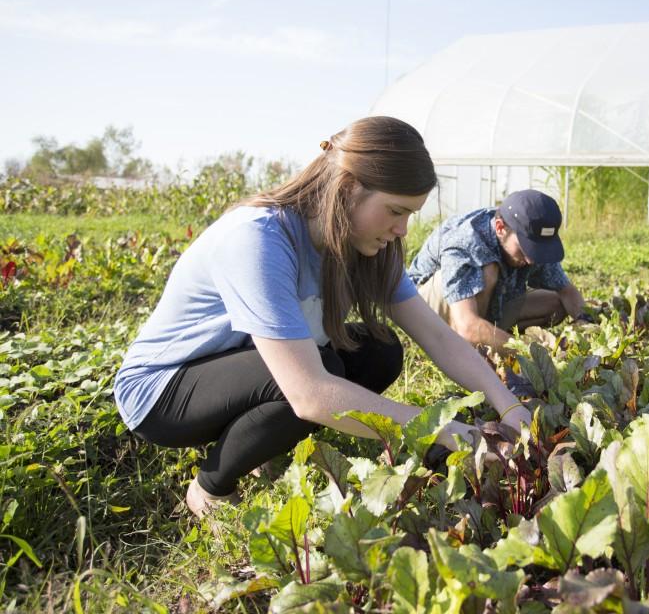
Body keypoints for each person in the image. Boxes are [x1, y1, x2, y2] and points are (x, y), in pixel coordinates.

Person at [113, 117, 532, 518]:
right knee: (319, 375)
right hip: (163, 392)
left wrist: (508, 405)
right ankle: (210, 486)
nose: (403, 229)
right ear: (348, 188)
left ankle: (260, 443)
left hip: (249, 368)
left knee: (379, 350)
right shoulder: (258, 238)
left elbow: (438, 337)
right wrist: (437, 428)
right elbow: (310, 392)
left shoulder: (370, 247)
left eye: (410, 215)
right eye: (395, 211)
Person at [408, 189, 585, 354]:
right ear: (500, 228)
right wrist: (529, 351)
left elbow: (567, 291)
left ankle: (490, 337)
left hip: (483, 309)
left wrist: (586, 326)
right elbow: (466, 325)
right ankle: (472, 350)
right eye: (526, 248)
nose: (531, 259)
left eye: (536, 250)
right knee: (488, 271)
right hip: (426, 310)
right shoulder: (467, 242)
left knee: (555, 304)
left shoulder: (531, 235)